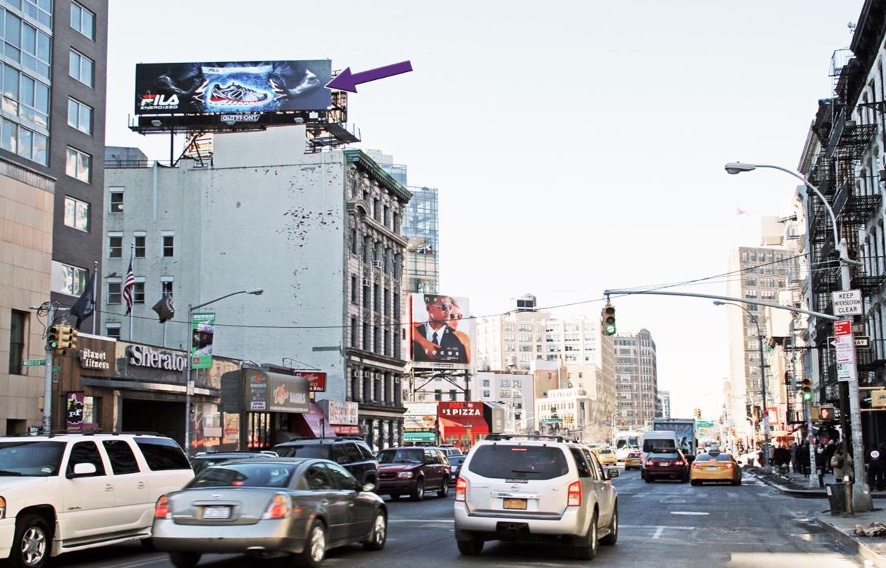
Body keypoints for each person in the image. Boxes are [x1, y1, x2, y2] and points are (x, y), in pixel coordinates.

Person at [412, 295, 468, 363]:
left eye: (450, 307)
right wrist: (424, 343)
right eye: (444, 307)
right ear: (429, 308)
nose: (448, 311)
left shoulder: (458, 339)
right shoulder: (415, 332)